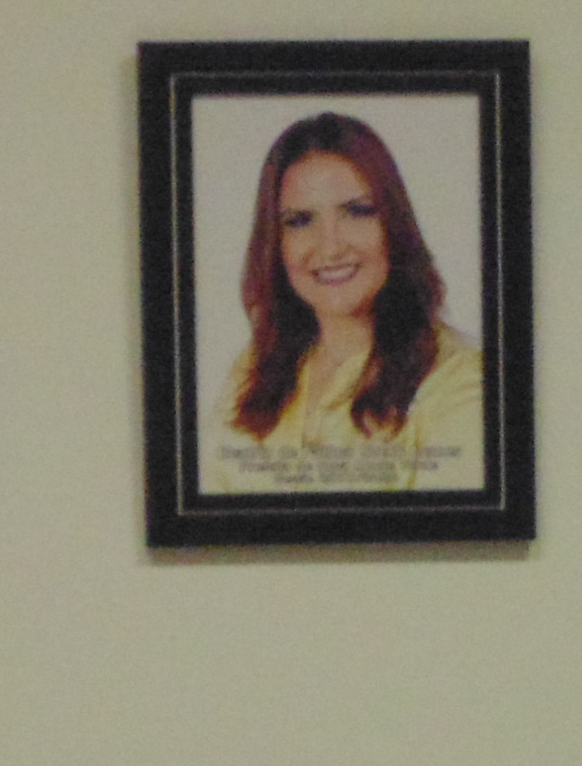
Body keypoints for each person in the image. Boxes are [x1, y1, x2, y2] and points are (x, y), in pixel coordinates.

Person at [205, 112, 485, 494]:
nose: (330, 247)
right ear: (275, 242)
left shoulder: (461, 383)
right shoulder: (253, 369)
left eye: (357, 211)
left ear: (394, 225)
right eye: (300, 221)